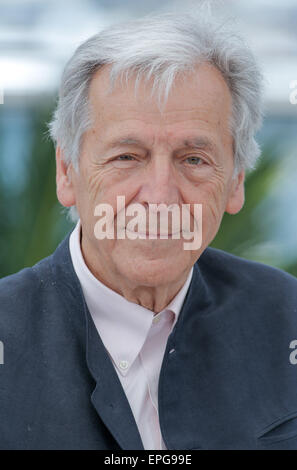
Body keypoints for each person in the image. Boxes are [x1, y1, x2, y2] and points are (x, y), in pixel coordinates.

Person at [1, 11, 297, 450]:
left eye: (193, 159)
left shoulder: (286, 317)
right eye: (127, 156)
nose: (160, 197)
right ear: (67, 172)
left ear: (236, 181)